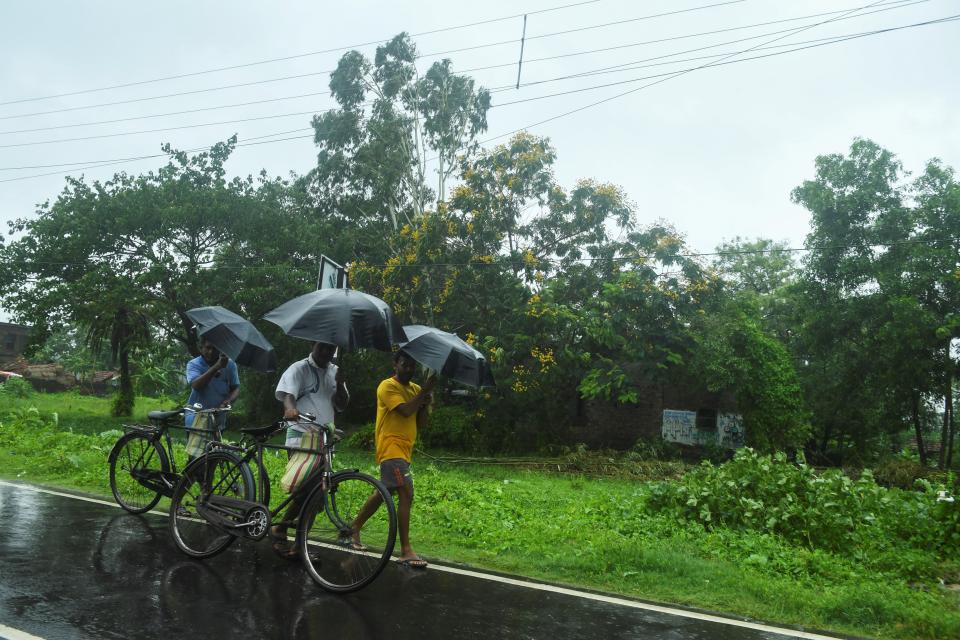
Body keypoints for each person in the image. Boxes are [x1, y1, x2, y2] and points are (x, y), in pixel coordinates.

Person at [351, 350, 435, 569]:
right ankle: (406, 550)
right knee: (406, 492)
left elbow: (421, 422)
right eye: (404, 364)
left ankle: (354, 528)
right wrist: (423, 392)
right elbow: (406, 411)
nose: (409, 369)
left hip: (405, 451)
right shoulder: (387, 386)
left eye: (411, 366)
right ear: (395, 364)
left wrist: (426, 402)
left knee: (383, 493)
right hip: (390, 448)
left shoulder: (415, 389)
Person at [270, 341, 349, 558]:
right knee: (308, 491)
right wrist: (290, 409)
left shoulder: (335, 372)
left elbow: (341, 405)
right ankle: (294, 540)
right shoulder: (298, 368)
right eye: (322, 347)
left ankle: (285, 532)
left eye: (331, 349)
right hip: (301, 436)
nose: (326, 352)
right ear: (313, 344)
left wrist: (341, 384)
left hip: (324, 438)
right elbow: (288, 395)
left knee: (315, 493)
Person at [184, 337, 240, 461]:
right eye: (208, 348)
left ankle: (206, 480)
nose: (211, 352)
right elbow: (196, 385)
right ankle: (189, 478)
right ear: (201, 348)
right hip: (196, 418)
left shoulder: (230, 365)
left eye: (215, 349)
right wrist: (216, 367)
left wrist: (229, 400)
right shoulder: (193, 364)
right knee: (196, 459)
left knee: (214, 458)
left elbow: (235, 388)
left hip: (217, 419)